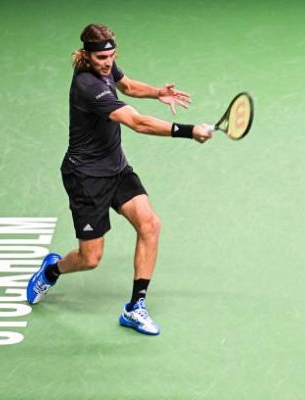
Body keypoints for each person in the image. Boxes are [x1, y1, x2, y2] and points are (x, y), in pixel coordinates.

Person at [26, 23, 214, 336]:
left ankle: (135, 308)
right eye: (101, 58)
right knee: (90, 258)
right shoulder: (87, 85)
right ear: (87, 55)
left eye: (112, 55)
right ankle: (51, 270)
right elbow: (137, 123)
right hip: (85, 178)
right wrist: (189, 131)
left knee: (150, 224)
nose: (108, 62)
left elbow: (126, 85)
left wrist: (157, 92)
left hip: (117, 169)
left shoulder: (105, 67)